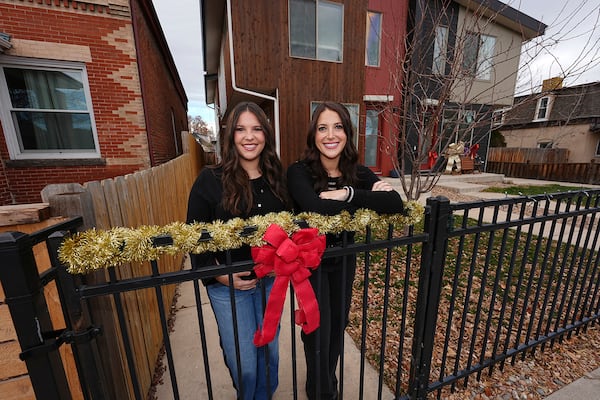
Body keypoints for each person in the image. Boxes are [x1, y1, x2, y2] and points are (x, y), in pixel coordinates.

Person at [287, 101, 405, 400]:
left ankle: (325, 384)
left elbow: (394, 204)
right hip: (310, 263)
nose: (331, 135)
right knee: (317, 331)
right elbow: (316, 208)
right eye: (323, 128)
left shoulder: (357, 172)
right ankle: (322, 391)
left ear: (347, 133)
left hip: (344, 257)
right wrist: (365, 198)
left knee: (337, 327)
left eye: (338, 127)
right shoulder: (298, 172)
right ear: (313, 135)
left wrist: (348, 192)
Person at [186, 101, 289, 400]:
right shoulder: (210, 180)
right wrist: (221, 275)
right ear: (230, 135)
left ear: (266, 135)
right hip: (227, 289)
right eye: (241, 129)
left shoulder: (277, 179)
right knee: (244, 361)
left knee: (269, 353)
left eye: (257, 129)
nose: (249, 136)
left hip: (270, 283)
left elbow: (295, 224)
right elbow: (195, 237)